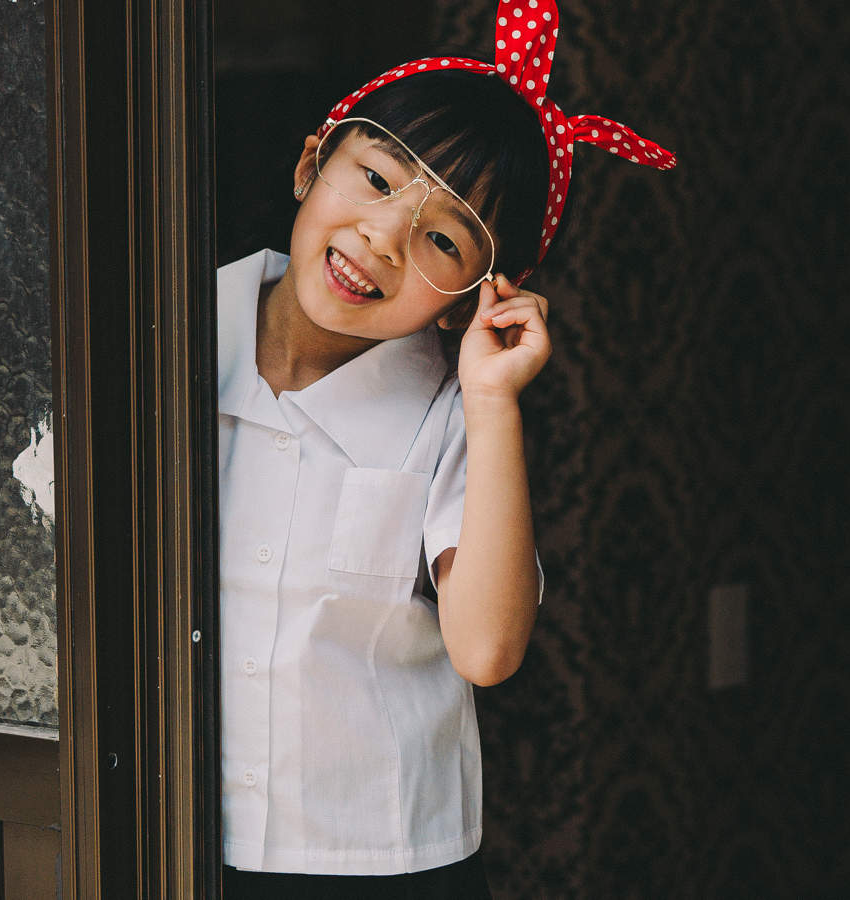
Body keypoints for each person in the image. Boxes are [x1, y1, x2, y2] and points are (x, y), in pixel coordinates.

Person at [218, 2, 674, 896]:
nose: (381, 240)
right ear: (314, 162)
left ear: (476, 292)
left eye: (442, 238)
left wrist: (492, 400)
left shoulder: (447, 414)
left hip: (381, 863)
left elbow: (488, 649)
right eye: (378, 181)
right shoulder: (170, 337)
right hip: (169, 835)